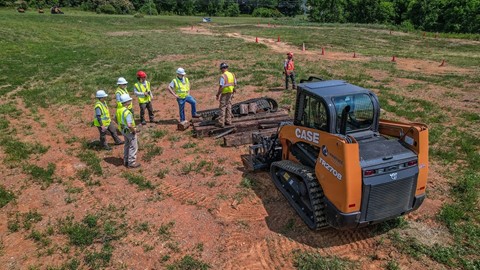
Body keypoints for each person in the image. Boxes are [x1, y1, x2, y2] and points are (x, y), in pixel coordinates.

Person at [117, 94, 140, 168]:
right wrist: (134, 131)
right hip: (129, 131)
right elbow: (129, 125)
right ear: (126, 102)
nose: (130, 101)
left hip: (123, 130)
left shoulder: (119, 110)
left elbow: (115, 119)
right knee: (133, 146)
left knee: (127, 145)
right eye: (129, 100)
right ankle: (131, 162)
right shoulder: (127, 112)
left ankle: (126, 160)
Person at [215, 62, 237, 128]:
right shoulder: (232, 75)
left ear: (222, 68)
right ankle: (228, 121)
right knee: (229, 106)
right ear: (227, 68)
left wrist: (218, 94)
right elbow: (235, 84)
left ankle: (221, 122)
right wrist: (233, 90)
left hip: (224, 93)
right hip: (230, 92)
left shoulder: (223, 76)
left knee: (222, 107)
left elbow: (221, 86)